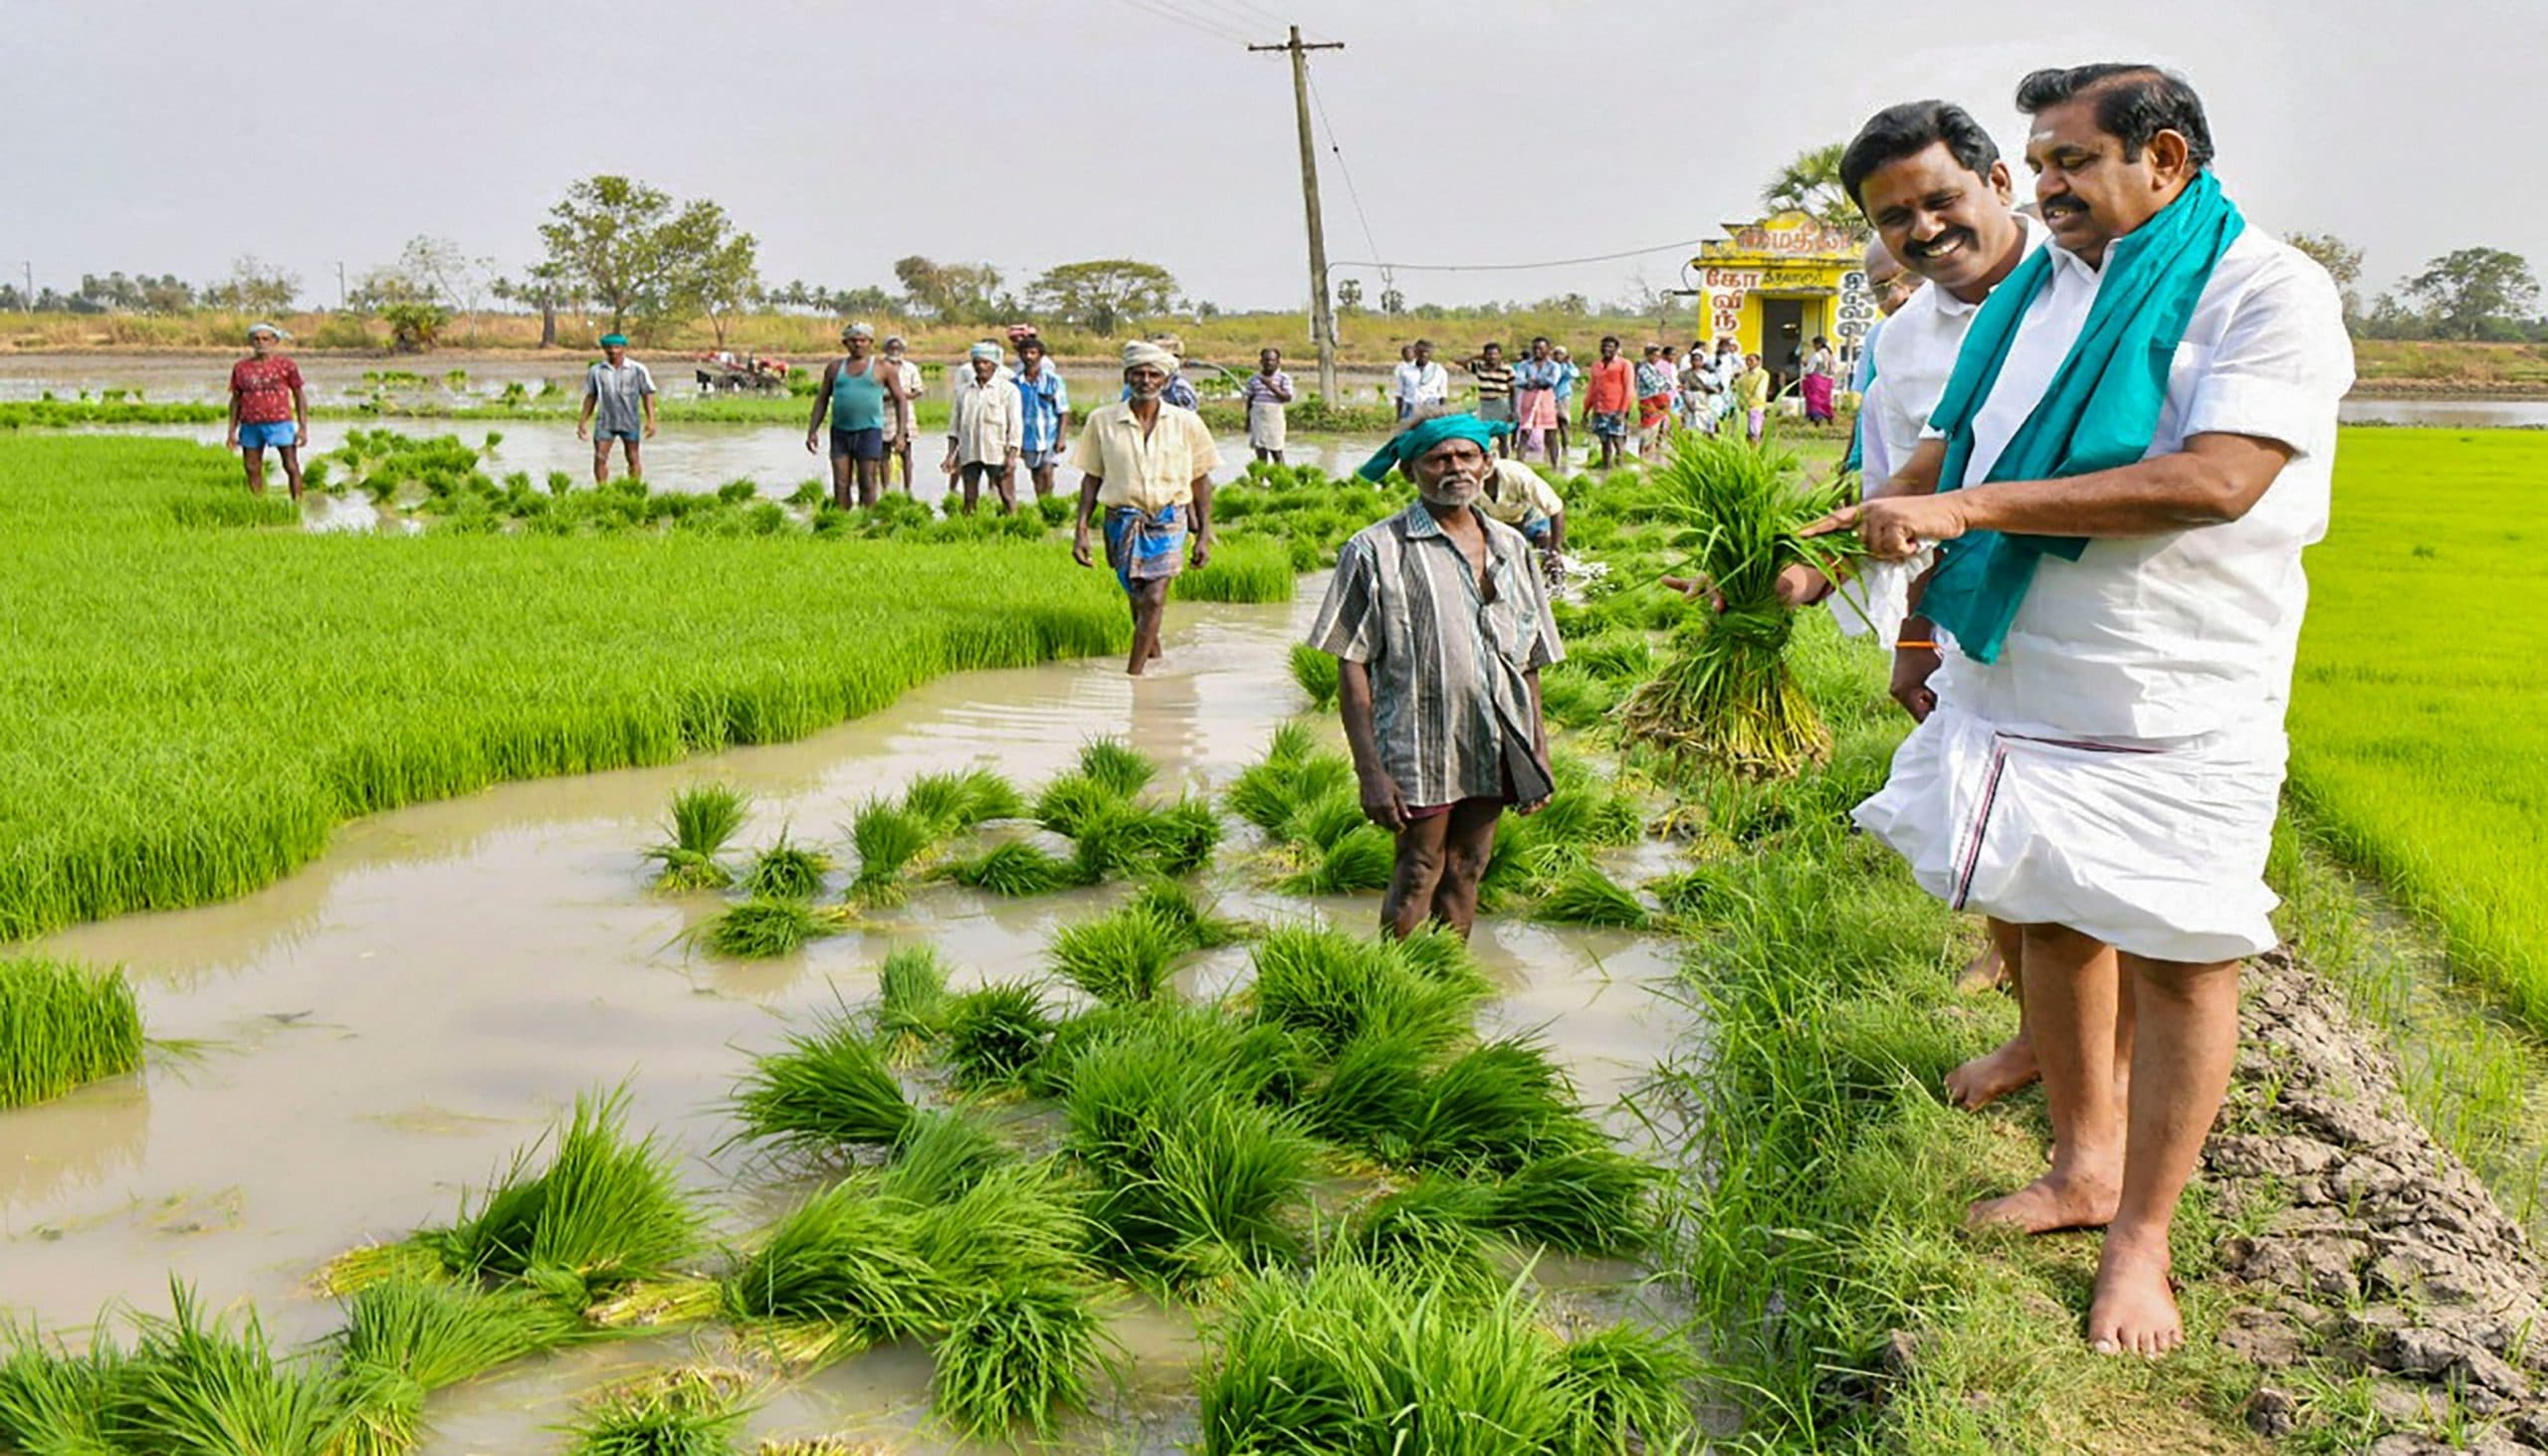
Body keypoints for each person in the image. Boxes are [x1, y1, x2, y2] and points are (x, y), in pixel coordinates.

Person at [1790, 65, 2352, 1356]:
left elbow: (2217, 480)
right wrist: (1855, 528)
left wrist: (1966, 511)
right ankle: (2081, 1161)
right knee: (2042, 904)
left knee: (2179, 953)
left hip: (2174, 689)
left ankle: (2141, 1234)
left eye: (2066, 164)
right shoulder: (2041, 290)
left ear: (2163, 158)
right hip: (2020, 668)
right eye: (2037, 164)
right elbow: (1970, 442)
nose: (2043, 188)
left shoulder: (2263, 290)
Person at [1826, 98, 2051, 1060]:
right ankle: (2036, 1030)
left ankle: (2089, 1080)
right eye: (1893, 219)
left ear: (2000, 183)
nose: (1923, 232)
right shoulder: (1906, 341)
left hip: (2090, 612)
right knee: (1985, 822)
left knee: (2092, 867)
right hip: (1967, 615)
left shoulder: (2085, 282)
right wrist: (1910, 628)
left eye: (1941, 200)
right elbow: (1910, 493)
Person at [1309, 407, 1562, 941]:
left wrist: (1538, 750)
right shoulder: (1375, 549)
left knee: (1469, 865)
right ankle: (1397, 988)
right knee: (1419, 868)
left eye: (1467, 455)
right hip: (1418, 743)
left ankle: (1446, 987)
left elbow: (1530, 658)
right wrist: (1369, 771)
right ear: (1409, 471)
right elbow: (1350, 662)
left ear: (1488, 463)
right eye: (1437, 458)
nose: (1455, 468)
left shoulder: (1512, 548)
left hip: (1496, 737)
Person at [1070, 340, 1218, 677]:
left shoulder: (1186, 423)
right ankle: (1155, 659)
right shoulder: (1102, 421)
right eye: (1138, 374)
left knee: (1153, 598)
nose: (1146, 381)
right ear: (1127, 377)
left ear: (1165, 382)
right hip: (1121, 521)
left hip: (1167, 520)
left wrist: (1204, 535)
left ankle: (1133, 678)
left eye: (1154, 375)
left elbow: (1201, 482)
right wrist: (1080, 532)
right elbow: (1091, 480)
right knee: (1138, 600)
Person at [803, 323, 908, 510]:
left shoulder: (883, 368)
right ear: (845, 343)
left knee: (867, 482)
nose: (858, 344)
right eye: (853, 340)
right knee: (841, 483)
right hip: (840, 432)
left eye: (863, 340)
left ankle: (867, 523)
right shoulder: (835, 368)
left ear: (871, 343)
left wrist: (900, 434)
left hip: (869, 431)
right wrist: (813, 430)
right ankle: (842, 523)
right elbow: (822, 400)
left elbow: (900, 400)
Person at [225, 322, 312, 501]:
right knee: (251, 466)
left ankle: (297, 504)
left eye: (265, 339)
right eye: (256, 339)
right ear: (251, 342)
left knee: (290, 465)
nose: (261, 343)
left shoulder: (286, 365)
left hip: (280, 422)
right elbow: (235, 400)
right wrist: (231, 431)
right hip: (250, 424)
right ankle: (258, 504)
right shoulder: (241, 368)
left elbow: (299, 395)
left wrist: (302, 427)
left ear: (274, 341)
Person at [945, 341, 1023, 515]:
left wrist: (1011, 456)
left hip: (997, 451)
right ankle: (969, 531)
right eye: (977, 362)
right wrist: (951, 455)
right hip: (970, 451)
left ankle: (1015, 524)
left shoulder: (1008, 391)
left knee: (1006, 494)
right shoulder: (963, 392)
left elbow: (1016, 426)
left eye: (985, 362)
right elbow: (955, 427)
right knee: (969, 497)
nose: (981, 366)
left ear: (995, 364)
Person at [577, 332, 657, 485]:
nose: (613, 351)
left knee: (633, 457)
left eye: (617, 347)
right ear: (604, 349)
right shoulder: (596, 371)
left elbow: (647, 394)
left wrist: (651, 420)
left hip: (630, 421)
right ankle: (602, 490)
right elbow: (591, 397)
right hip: (605, 421)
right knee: (600, 457)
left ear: (624, 348)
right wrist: (582, 422)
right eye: (609, 348)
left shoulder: (637, 369)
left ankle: (633, 488)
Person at [1482, 455, 1568, 584]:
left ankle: (1554, 580)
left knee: (1543, 542)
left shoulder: (1518, 475)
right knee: (1506, 555)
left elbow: (1555, 508)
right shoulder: (1465, 484)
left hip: (1528, 511)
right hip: (1497, 518)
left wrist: (1555, 550)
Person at [1013, 335, 1072, 500]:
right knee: (1035, 473)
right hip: (1027, 436)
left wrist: (1061, 438)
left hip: (1049, 435)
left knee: (1047, 470)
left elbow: (1063, 411)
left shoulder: (1053, 381)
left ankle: (1049, 502)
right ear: (1020, 355)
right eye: (1025, 353)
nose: (1029, 356)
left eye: (1033, 353)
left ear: (1040, 356)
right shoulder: (1015, 383)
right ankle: (1042, 501)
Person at [1579, 336, 1633, 469]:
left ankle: (1620, 469)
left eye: (1610, 346)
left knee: (1617, 440)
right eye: (1604, 346)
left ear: (1616, 349)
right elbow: (1592, 389)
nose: (1606, 349)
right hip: (1600, 408)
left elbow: (1629, 389)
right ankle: (1606, 468)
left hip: (1616, 408)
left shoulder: (1624, 364)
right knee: (1604, 441)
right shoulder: (1597, 365)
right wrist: (1585, 411)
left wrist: (1622, 411)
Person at [882, 335, 927, 494]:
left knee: (906, 453)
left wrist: (900, 395)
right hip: (884, 413)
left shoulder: (910, 368)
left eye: (898, 348)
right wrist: (894, 395)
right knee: (884, 453)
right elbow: (875, 391)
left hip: (906, 413)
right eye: (892, 348)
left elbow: (918, 390)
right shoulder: (880, 366)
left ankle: (908, 489)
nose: (895, 351)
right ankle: (885, 489)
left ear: (903, 350)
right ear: (886, 349)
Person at [1458, 341, 1516, 457]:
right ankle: (1485, 460)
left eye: (1495, 354)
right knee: (1483, 433)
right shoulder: (1480, 367)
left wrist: (1513, 410)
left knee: (1502, 435)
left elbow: (1513, 391)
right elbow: (1460, 361)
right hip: (1484, 404)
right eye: (1489, 354)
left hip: (1501, 403)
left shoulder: (1507, 369)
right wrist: (1477, 356)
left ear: (1500, 355)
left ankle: (1504, 461)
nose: (1492, 357)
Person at [1511, 336, 1562, 463]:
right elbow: (1519, 381)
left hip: (1546, 401)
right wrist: (1538, 383)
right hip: (1528, 401)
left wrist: (1533, 382)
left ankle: (1554, 465)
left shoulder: (1554, 366)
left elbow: (1552, 381)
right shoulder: (1524, 364)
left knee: (1551, 433)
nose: (1537, 351)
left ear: (1548, 350)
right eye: (1534, 348)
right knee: (1525, 433)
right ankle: (1520, 464)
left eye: (1540, 348)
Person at [1241, 347, 1295, 463]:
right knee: (1260, 452)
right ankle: (1259, 479)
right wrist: (1247, 420)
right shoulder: (1253, 379)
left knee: (1276, 451)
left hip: (1274, 418)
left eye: (1272, 360)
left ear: (1278, 362)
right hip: (1258, 418)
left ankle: (1280, 478)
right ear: (1261, 362)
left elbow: (1287, 397)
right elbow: (1250, 399)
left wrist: (1271, 386)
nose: (1269, 363)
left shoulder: (1283, 378)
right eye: (1266, 360)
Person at [1633, 343, 1678, 459]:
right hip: (1649, 404)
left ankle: (1651, 459)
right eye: (1654, 356)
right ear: (1648, 355)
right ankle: (1644, 459)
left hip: (1660, 406)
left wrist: (1663, 384)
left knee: (1658, 433)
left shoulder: (1655, 369)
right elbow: (1653, 384)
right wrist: (1663, 384)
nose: (1657, 358)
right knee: (1648, 432)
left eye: (1658, 356)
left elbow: (1668, 384)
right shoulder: (1643, 369)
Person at [1391, 339, 1449, 421]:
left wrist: (1444, 415)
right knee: (1407, 433)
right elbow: (1399, 394)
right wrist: (1399, 416)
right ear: (1415, 353)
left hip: (1431, 408)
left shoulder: (1438, 370)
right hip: (1410, 408)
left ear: (1431, 353)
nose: (1424, 354)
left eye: (1426, 352)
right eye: (1420, 352)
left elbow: (1443, 395)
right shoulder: (1404, 370)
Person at [1730, 351, 1771, 444]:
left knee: (1754, 431)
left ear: (1758, 362)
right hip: (1742, 406)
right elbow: (1737, 387)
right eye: (1747, 360)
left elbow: (1760, 391)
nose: (1748, 362)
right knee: (1742, 432)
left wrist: (1750, 403)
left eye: (1751, 360)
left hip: (1755, 406)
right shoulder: (1744, 374)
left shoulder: (1763, 374)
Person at [1549, 345, 1580, 463]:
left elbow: (1574, 374)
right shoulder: (1550, 366)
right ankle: (1552, 450)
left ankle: (1566, 447)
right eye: (1556, 353)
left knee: (1564, 423)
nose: (1558, 356)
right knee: (1550, 425)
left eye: (1561, 354)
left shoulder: (1566, 367)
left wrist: (1569, 363)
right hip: (1550, 398)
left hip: (1563, 397)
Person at [1801, 334, 1838, 423]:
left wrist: (1805, 365)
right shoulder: (1831, 355)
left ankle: (1816, 417)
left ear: (1818, 344)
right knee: (1826, 399)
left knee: (1815, 399)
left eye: (1814, 345)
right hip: (1828, 381)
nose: (1814, 347)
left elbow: (1809, 370)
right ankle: (1828, 416)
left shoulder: (1817, 355)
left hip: (1816, 381)